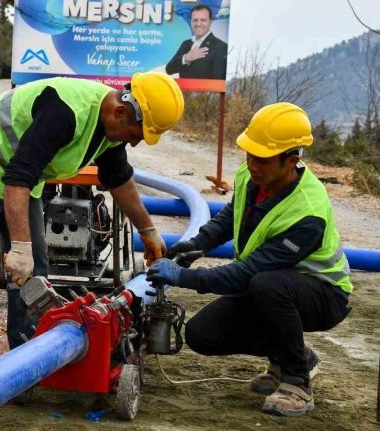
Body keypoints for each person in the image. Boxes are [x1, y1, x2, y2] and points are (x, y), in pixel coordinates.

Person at [0, 72, 185, 372]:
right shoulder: (65, 113)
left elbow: (119, 179)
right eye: (137, 134)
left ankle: (25, 359)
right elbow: (17, 180)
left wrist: (149, 232)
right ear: (120, 112)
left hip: (20, 178)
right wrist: (19, 248)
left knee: (36, 268)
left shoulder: (110, 127)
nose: (136, 143)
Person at [147, 102, 351, 417]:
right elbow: (232, 216)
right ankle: (295, 354)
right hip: (268, 285)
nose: (252, 164)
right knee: (202, 334)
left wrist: (184, 277)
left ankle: (297, 381)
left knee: (266, 284)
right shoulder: (252, 174)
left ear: (291, 161)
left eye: (262, 159)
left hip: (324, 294)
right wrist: (198, 244)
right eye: (249, 155)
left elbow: (248, 273)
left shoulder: (308, 212)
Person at [165, 4, 228, 80]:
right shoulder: (186, 44)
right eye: (195, 20)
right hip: (183, 91)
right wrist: (186, 58)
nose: (198, 24)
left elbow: (218, 82)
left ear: (210, 22)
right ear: (191, 22)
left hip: (204, 92)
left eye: (203, 20)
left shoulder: (221, 47)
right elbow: (169, 69)